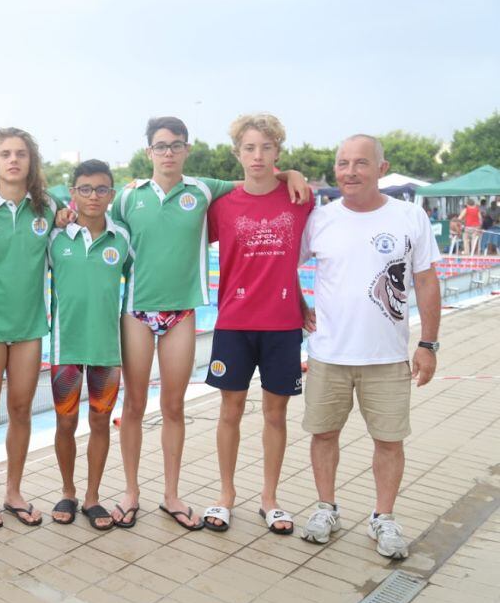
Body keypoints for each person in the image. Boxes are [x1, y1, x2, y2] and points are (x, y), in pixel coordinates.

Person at [101, 116, 309, 530]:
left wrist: (292, 172)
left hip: (181, 312)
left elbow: (257, 178)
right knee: (135, 405)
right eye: (161, 146)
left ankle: (172, 495)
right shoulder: (127, 198)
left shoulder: (203, 190)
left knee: (174, 406)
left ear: (187, 149)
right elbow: (106, 239)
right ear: (149, 152)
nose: (168, 153)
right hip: (137, 311)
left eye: (176, 145)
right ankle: (130, 491)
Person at [299, 134, 441, 559]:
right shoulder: (320, 219)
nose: (350, 172)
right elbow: (285, 265)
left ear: (381, 168)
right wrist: (300, 307)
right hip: (328, 354)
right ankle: (327, 508)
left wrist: (428, 343)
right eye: (343, 163)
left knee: (389, 440)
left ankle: (383, 517)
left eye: (361, 163)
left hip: (387, 356)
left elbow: (426, 281)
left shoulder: (409, 217)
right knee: (323, 434)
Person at [202, 114, 315, 535]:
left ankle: (270, 498)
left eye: (266, 148)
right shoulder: (222, 207)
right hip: (234, 322)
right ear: (237, 154)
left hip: (282, 325)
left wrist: (292, 175)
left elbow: (288, 262)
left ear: (278, 153)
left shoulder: (299, 199)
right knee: (229, 411)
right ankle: (226, 495)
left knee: (275, 413)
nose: (258, 156)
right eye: (249, 148)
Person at [0, 128, 64, 528]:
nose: (13, 160)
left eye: (20, 154)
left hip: (29, 326)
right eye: (5, 153)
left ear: (31, 161)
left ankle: (13, 490)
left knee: (21, 409)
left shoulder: (48, 208)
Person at [47, 161, 131, 531]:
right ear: (73, 194)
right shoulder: (55, 237)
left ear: (111, 195)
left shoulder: (123, 238)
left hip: (107, 350)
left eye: (100, 189)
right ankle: (68, 490)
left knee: (100, 421)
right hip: (65, 347)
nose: (93, 196)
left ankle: (93, 496)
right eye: (85, 189)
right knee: (66, 421)